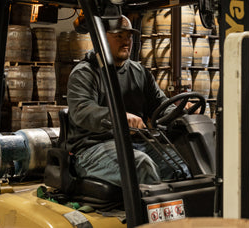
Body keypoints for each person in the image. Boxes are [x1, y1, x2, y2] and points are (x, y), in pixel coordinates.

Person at [65, 15, 192, 187]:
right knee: (140, 165)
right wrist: (119, 117)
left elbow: (160, 106)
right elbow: (82, 110)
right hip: (91, 149)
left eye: (129, 37)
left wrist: (181, 113)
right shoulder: (85, 72)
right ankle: (150, 212)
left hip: (134, 144)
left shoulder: (139, 72)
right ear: (100, 37)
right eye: (119, 36)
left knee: (181, 162)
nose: (126, 42)